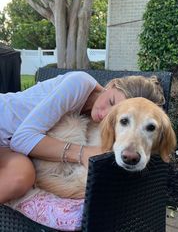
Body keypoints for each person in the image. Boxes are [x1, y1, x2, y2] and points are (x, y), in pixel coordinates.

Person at [0, 71, 165, 203]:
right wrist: (82, 153)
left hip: (7, 145)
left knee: (20, 177)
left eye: (116, 113)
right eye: (112, 101)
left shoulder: (112, 126)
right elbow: (22, 139)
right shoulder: (79, 83)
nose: (105, 114)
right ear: (112, 85)